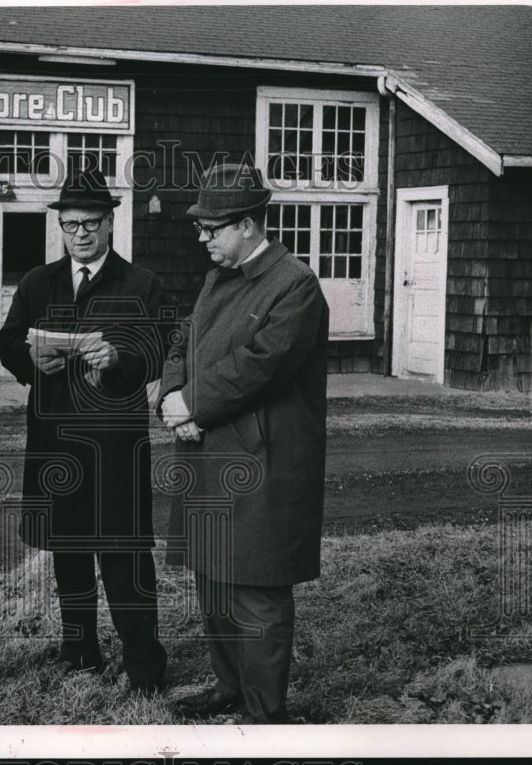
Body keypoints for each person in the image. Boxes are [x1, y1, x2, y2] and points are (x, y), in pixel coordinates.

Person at [158, 163, 329, 724]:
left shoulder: (296, 285)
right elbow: (186, 337)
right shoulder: (219, 275)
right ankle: (230, 686)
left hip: (263, 460)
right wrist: (172, 394)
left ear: (251, 226)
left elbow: (261, 366)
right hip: (207, 448)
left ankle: (263, 714)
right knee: (213, 579)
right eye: (201, 228)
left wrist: (193, 403)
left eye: (213, 227)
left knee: (256, 586)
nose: (202, 237)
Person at [0, 167, 169, 693]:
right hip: (55, 445)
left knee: (125, 560)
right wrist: (28, 359)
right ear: (60, 227)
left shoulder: (142, 285)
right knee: (68, 554)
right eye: (70, 224)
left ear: (110, 222)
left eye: (91, 222)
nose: (80, 234)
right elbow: (6, 342)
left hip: (115, 447)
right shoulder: (36, 282)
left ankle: (143, 667)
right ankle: (81, 655)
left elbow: (161, 350)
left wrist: (120, 356)